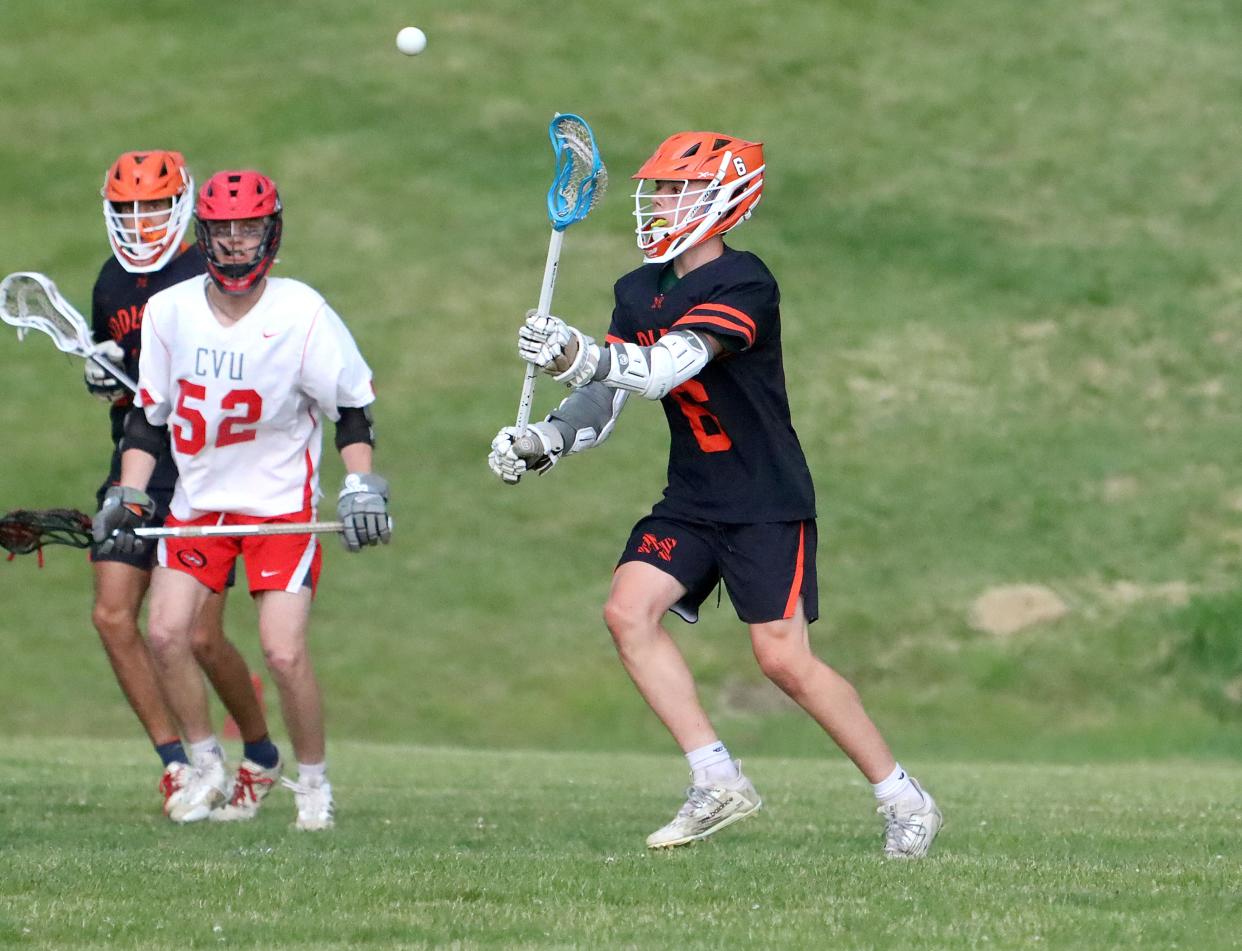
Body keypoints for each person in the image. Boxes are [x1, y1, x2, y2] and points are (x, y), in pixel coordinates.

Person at [489, 131, 942, 857]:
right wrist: (545, 439)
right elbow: (606, 397)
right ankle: (717, 778)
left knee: (783, 660)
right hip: (692, 495)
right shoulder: (638, 289)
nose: (660, 201)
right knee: (627, 611)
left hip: (764, 496)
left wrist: (577, 353)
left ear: (725, 200)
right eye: (659, 188)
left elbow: (666, 369)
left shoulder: (746, 283)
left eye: (676, 189)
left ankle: (903, 796)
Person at [93, 169, 390, 830]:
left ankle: (312, 783)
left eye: (247, 227)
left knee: (282, 651)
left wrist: (361, 481)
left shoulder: (301, 312)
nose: (233, 243)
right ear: (206, 236)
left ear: (270, 232)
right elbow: (149, 418)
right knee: (167, 631)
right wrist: (129, 492)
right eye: (222, 230)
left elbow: (352, 409)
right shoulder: (171, 309)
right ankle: (206, 763)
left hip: (281, 505)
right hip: (200, 504)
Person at [88, 150, 278, 821]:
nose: (141, 221)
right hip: (139, 461)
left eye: (154, 206)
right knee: (113, 612)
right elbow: (128, 396)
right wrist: (110, 376)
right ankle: (178, 765)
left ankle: (259, 752)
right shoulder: (111, 284)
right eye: (128, 209)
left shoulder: (211, 272)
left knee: (198, 635)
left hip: (208, 467)